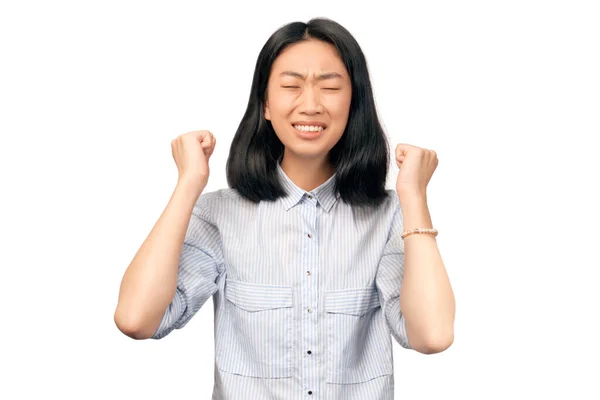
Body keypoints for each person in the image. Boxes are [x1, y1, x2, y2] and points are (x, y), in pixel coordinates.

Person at [114, 17, 455, 400]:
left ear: (353, 103)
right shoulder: (219, 216)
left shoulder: (390, 215)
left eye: (329, 87)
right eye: (291, 86)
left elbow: (432, 335)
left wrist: (414, 197)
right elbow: (136, 319)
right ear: (266, 105)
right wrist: (189, 183)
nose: (310, 105)